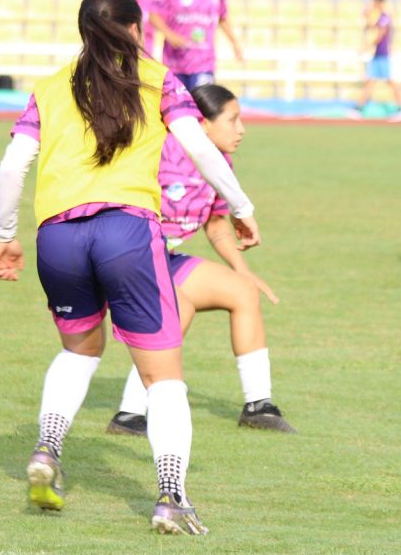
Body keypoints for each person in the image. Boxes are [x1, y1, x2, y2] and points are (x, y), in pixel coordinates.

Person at [0, 0, 260, 535]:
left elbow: (15, 162)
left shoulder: (50, 86)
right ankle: (170, 496)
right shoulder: (158, 79)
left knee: (80, 350)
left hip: (57, 235)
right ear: (136, 30)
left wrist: (3, 233)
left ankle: (46, 449)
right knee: (164, 378)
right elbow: (202, 147)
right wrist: (241, 205)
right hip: (127, 232)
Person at [107, 84, 295, 438]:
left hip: (167, 259)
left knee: (243, 292)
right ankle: (130, 413)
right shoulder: (160, 149)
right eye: (233, 120)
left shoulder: (221, 162)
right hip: (131, 257)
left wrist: (245, 272)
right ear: (201, 124)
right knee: (180, 307)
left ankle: (259, 406)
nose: (241, 130)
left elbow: (215, 220)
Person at [350, 0, 401, 122]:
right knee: (371, 80)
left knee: (389, 82)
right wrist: (366, 16)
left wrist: (367, 46)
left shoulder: (385, 18)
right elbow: (370, 27)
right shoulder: (380, 18)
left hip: (382, 55)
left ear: (379, 3)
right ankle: (358, 108)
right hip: (378, 55)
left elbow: (380, 34)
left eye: (375, 2)